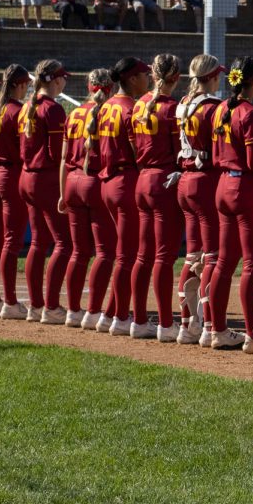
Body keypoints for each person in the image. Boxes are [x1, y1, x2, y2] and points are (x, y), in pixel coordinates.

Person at [209, 57, 253, 351]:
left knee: (225, 260)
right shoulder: (251, 114)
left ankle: (216, 329)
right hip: (245, 186)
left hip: (223, 184)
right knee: (252, 263)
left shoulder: (221, 108)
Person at [131, 54, 184, 342]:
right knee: (164, 256)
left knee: (143, 255)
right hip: (164, 180)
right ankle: (165, 323)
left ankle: (139, 319)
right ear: (176, 78)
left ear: (152, 74)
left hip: (143, 180)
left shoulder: (139, 104)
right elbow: (179, 151)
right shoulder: (172, 108)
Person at [99, 57, 151, 336]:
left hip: (108, 180)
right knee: (127, 255)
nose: (148, 78)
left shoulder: (106, 105)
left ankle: (110, 314)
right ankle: (120, 317)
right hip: (126, 181)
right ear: (132, 79)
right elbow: (137, 152)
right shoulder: (131, 108)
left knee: (123, 253)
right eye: (144, 74)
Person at [17, 60, 72, 325]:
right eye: (63, 78)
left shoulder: (28, 105)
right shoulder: (53, 109)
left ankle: (35, 306)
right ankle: (51, 306)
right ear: (55, 80)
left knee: (39, 242)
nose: (65, 83)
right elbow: (56, 154)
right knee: (64, 243)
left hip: (26, 177)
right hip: (46, 179)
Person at [175, 55, 225, 345]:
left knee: (192, 256)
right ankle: (209, 326)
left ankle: (187, 325)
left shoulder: (183, 103)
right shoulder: (212, 108)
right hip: (205, 180)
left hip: (184, 179)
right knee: (211, 258)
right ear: (214, 76)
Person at [61, 68, 116, 329]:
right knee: (105, 252)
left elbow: (63, 158)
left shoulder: (74, 113)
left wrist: (62, 193)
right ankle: (93, 311)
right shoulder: (109, 113)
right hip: (95, 181)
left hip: (72, 181)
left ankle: (73, 311)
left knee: (79, 251)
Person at [0, 64, 31, 320]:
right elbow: (25, 149)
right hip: (10, 175)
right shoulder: (18, 110)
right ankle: (10, 302)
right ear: (20, 85)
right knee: (11, 241)